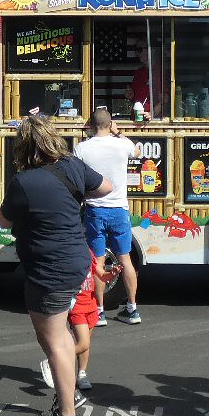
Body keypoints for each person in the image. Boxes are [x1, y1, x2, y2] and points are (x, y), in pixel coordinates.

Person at [0, 115, 112, 416]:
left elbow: (4, 220)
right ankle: (68, 397)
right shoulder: (73, 166)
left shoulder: (24, 181)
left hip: (49, 269)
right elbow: (106, 186)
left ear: (22, 147)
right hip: (76, 260)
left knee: (55, 341)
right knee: (59, 336)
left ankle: (67, 415)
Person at [74, 108, 141, 325]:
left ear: (90, 125)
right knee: (125, 260)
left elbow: (75, 174)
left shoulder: (82, 148)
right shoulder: (121, 144)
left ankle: (99, 312)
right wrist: (118, 132)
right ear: (110, 124)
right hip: (119, 209)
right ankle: (132, 309)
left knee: (98, 261)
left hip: (95, 210)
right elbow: (137, 152)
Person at [39, 249, 121, 393]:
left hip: (91, 305)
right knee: (83, 343)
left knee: (86, 345)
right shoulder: (68, 254)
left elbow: (101, 275)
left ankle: (81, 374)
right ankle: (53, 361)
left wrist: (112, 274)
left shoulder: (89, 253)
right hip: (77, 307)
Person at [124, 41, 164, 120]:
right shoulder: (139, 72)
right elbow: (134, 99)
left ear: (151, 50)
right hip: (135, 119)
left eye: (139, 50)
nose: (137, 54)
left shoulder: (160, 72)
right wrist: (130, 95)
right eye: (136, 50)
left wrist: (152, 114)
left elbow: (165, 100)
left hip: (152, 122)